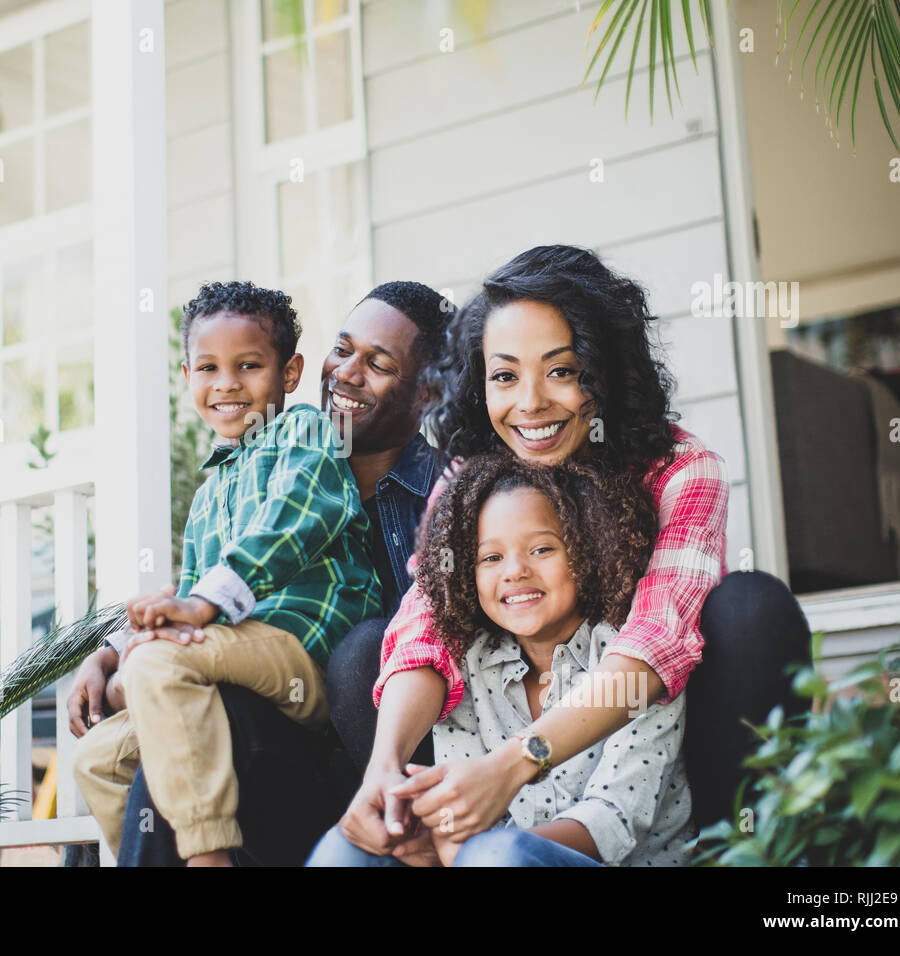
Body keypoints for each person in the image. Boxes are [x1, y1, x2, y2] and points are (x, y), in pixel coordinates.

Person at [339, 245, 811, 862]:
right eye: (505, 375)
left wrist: (516, 763)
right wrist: (385, 767)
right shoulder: (469, 482)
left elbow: (653, 643)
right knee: (365, 655)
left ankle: (743, 852)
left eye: (561, 371)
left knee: (750, 610)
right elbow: (426, 624)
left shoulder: (679, 471)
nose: (530, 403)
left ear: (606, 373)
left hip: (653, 749)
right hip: (503, 743)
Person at [66, 281, 455, 865]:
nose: (347, 373)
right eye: (343, 349)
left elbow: (283, 526)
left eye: (377, 363)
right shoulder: (218, 484)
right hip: (252, 691)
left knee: (348, 653)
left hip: (341, 727)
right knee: (103, 757)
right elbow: (200, 582)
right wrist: (116, 650)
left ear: (427, 391)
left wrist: (189, 619)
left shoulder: (432, 489)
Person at [309, 454, 694, 866]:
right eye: (490, 558)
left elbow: (613, 823)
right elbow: (466, 819)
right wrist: (432, 829)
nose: (514, 571)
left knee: (497, 856)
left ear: (590, 550)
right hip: (488, 858)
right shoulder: (469, 663)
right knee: (345, 848)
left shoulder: (632, 663)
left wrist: (474, 849)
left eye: (542, 549)